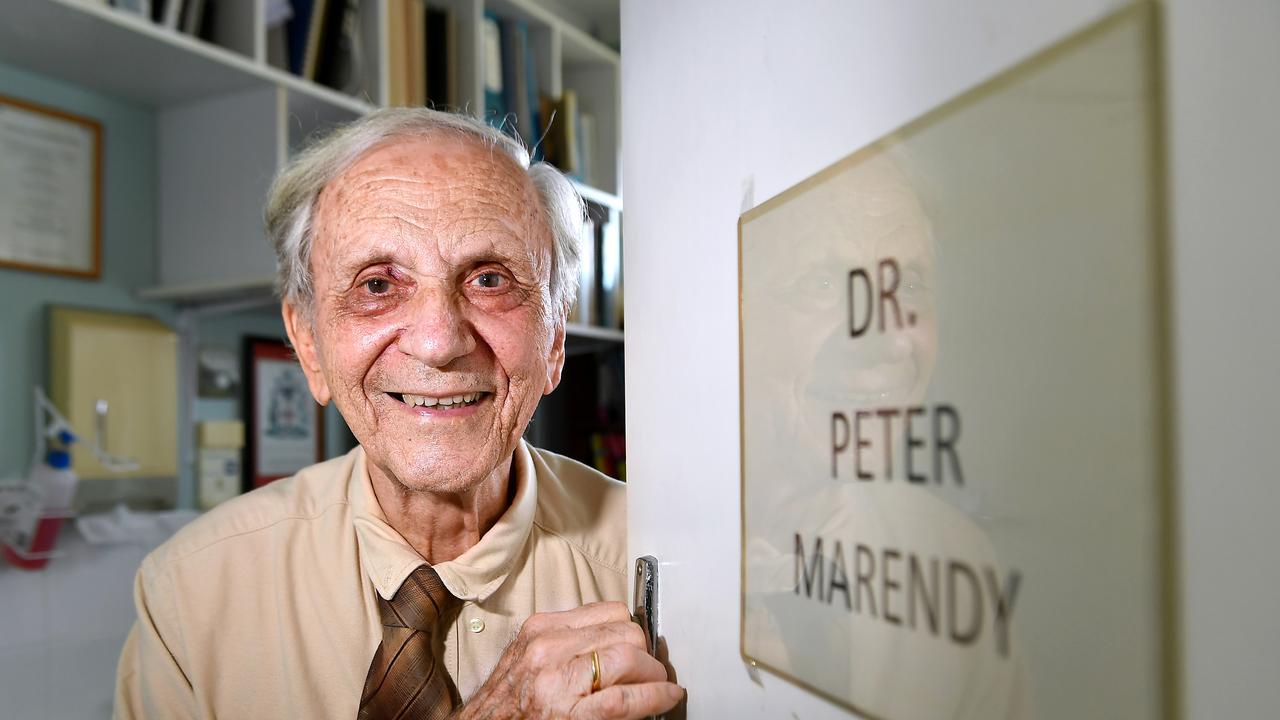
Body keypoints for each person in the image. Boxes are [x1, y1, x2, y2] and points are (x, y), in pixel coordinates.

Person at [114, 108, 683, 720]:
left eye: (489, 279)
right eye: (378, 286)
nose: (439, 342)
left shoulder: (667, 568)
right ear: (308, 341)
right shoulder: (190, 594)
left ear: (553, 339)